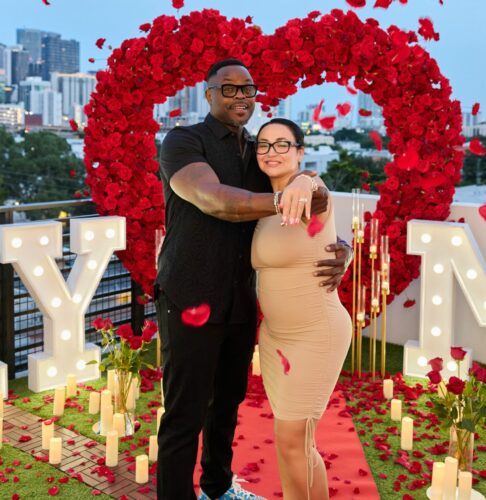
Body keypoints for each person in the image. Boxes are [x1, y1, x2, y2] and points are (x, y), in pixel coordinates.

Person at [155, 58, 352, 500]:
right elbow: (216, 200)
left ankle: (218, 489)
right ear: (208, 94)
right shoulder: (184, 141)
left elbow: (306, 205)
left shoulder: (258, 154)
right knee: (184, 416)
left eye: (248, 89)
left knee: (225, 407)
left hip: (241, 304)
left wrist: (343, 245)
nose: (241, 96)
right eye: (229, 89)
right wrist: (293, 192)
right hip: (189, 297)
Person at [251, 118, 352, 500]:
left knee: (294, 441)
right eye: (264, 145)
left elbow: (317, 189)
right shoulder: (261, 203)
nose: (272, 152)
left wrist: (306, 180)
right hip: (275, 338)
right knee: (294, 444)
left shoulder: (312, 193)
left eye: (282, 144)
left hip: (315, 333)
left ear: (300, 152)